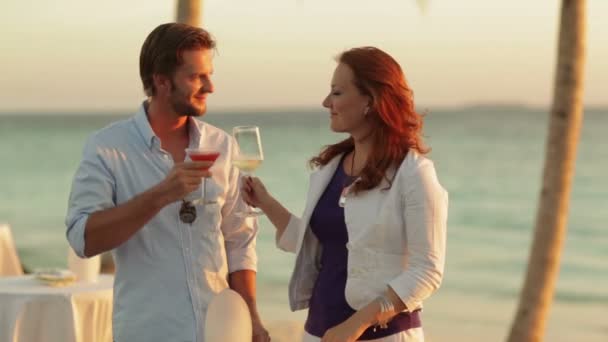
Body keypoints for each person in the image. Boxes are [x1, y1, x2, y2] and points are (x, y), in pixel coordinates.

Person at [65, 23, 270, 342]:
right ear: (161, 81)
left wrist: (251, 319)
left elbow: (239, 241)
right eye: (196, 76)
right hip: (148, 332)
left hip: (220, 332)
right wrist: (160, 195)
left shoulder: (223, 147)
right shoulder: (107, 148)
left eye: (209, 74)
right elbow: (83, 239)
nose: (210, 86)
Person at [242, 46, 448, 342]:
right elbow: (317, 245)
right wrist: (266, 202)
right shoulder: (330, 168)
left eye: (337, 93)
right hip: (318, 333)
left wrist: (357, 324)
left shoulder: (413, 173)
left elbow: (427, 271)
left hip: (382, 336)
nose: (326, 102)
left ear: (370, 100)